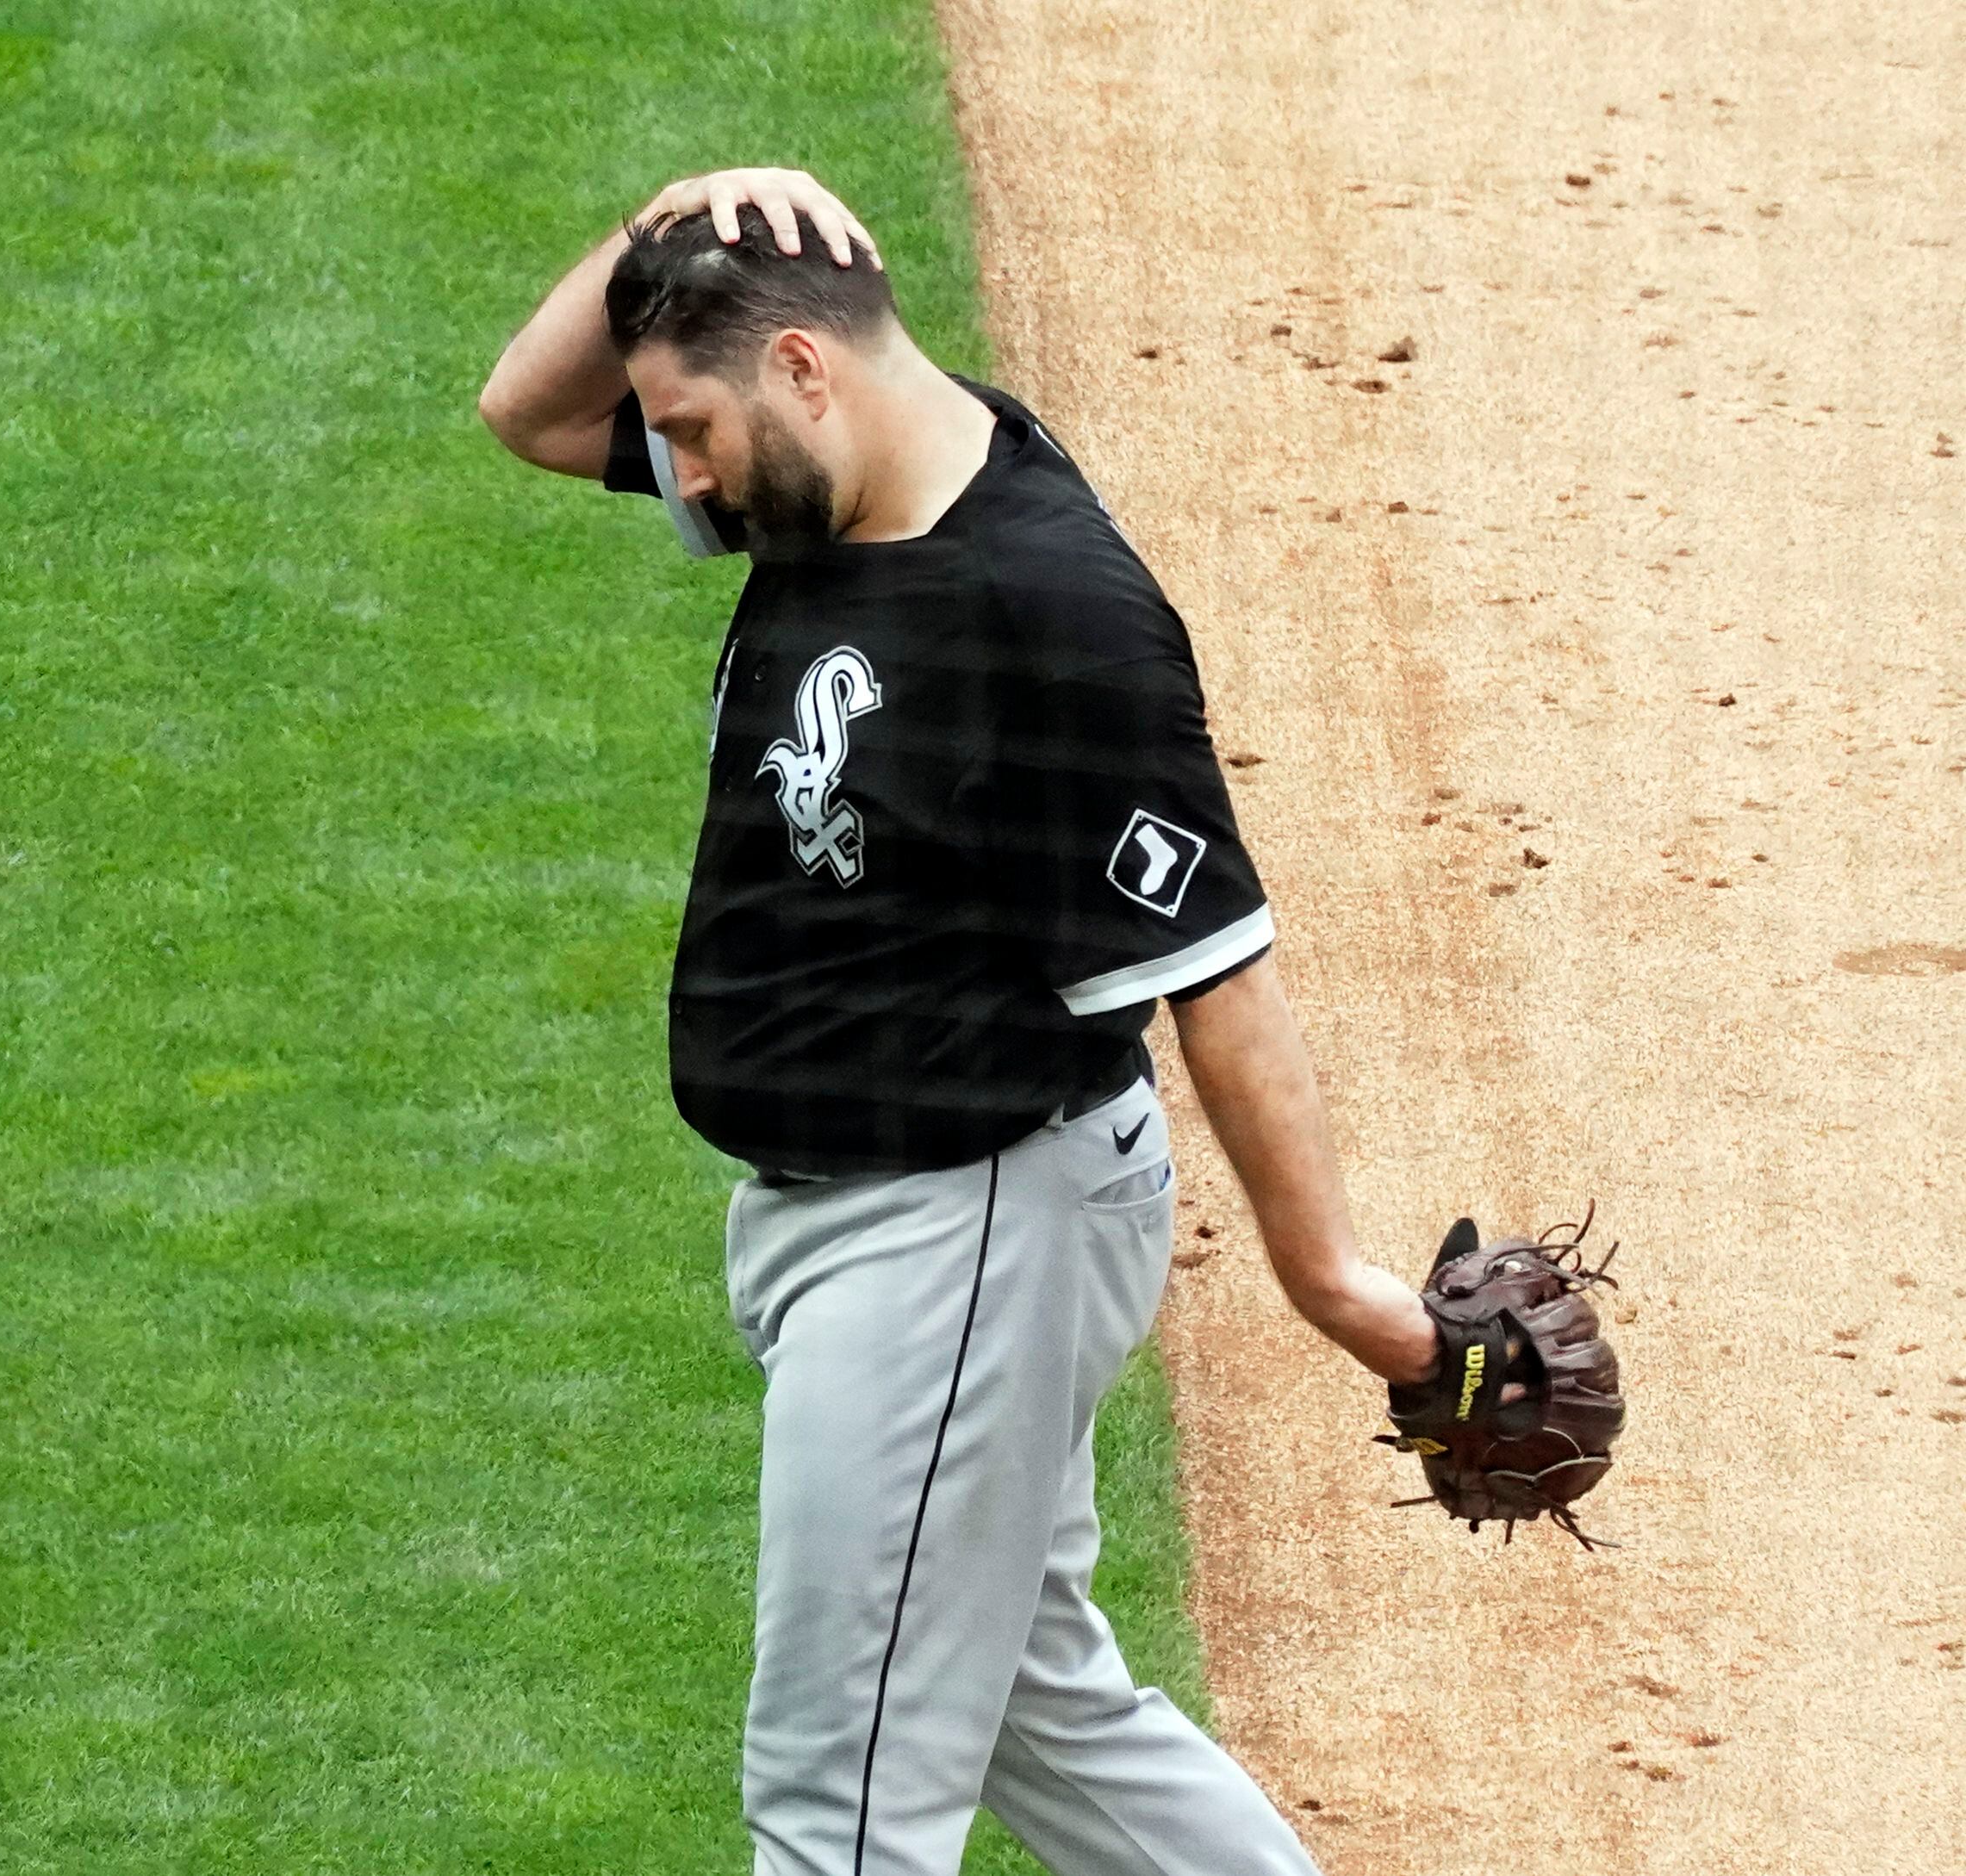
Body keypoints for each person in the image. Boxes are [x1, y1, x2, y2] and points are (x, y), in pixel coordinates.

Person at [478, 166, 1440, 1876]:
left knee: (833, 1812)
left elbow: (1209, 972)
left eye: (689, 432)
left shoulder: (1047, 612)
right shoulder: (826, 493)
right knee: (1036, 1716)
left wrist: (1337, 1289)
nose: (676, 479)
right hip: (875, 1223)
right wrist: (666, 215)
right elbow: (525, 411)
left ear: (799, 367)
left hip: (958, 1229)